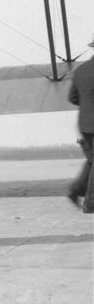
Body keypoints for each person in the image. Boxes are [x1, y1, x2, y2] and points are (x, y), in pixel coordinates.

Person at [67, 34, 94, 214]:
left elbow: (72, 97)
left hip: (85, 125)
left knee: (92, 160)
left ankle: (76, 190)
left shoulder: (81, 69)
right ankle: (91, 203)